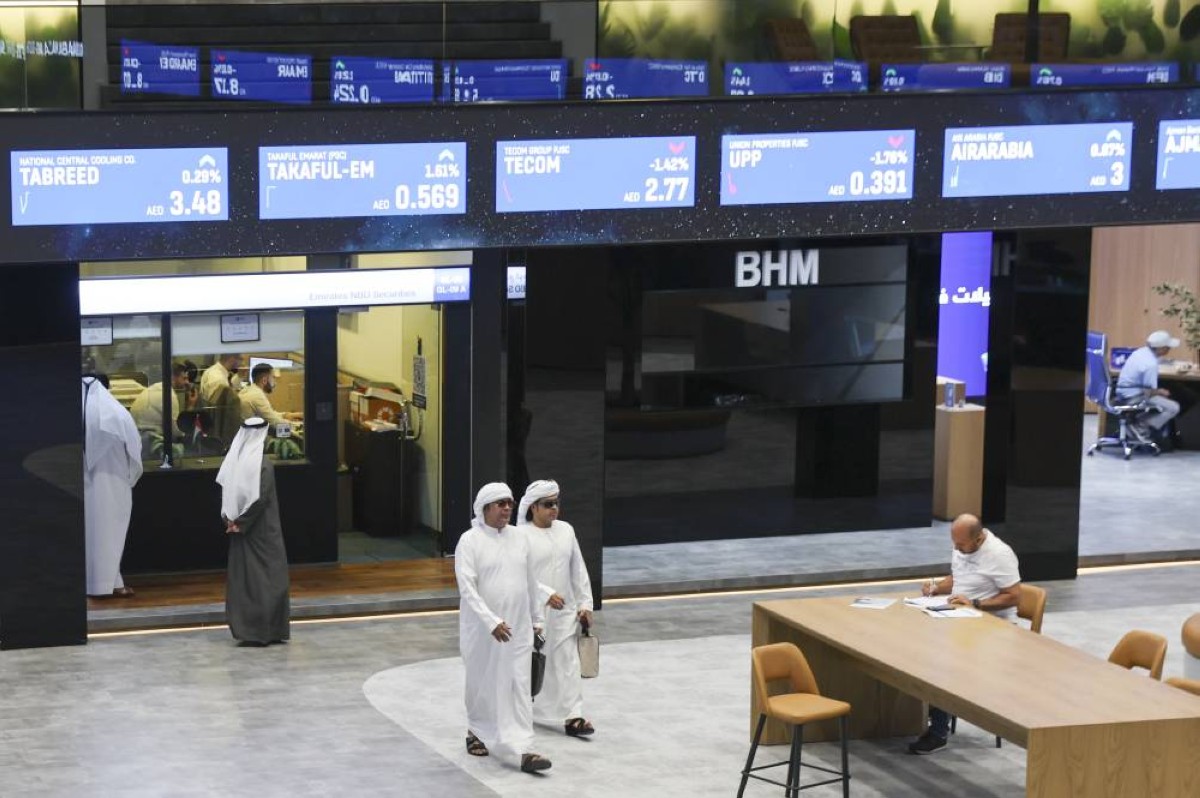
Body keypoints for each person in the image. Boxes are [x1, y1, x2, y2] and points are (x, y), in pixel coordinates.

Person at [455, 482, 552, 774]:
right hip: (483, 630)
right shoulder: (469, 541)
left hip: (519, 628)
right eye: (500, 504)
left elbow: (532, 582)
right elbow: (467, 589)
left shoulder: (520, 539)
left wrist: (537, 620)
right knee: (483, 682)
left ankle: (524, 747)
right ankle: (477, 731)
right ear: (484, 509)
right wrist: (491, 621)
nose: (507, 508)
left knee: (519, 686)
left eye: (509, 503)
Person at [908, 514, 1021, 755]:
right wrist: (937, 587)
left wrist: (976, 603)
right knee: (918, 646)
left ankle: (938, 731)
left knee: (943, 662)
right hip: (960, 618)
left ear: (979, 539)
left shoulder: (999, 554)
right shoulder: (963, 546)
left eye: (960, 545)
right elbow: (958, 577)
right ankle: (919, 711)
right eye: (954, 543)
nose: (956, 548)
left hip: (993, 627)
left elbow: (1013, 595)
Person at [517, 479, 595, 738]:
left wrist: (585, 604)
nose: (554, 509)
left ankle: (574, 716)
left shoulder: (566, 531)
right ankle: (526, 709)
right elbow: (520, 575)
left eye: (556, 503)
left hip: (565, 612)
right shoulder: (520, 536)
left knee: (568, 662)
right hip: (533, 613)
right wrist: (546, 594)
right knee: (533, 662)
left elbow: (578, 569)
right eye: (547, 504)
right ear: (533, 508)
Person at [216, 417, 290, 647]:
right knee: (270, 579)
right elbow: (260, 498)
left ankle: (248, 629)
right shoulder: (263, 463)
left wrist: (231, 520)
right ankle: (267, 630)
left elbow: (226, 490)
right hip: (263, 531)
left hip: (240, 529)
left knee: (245, 580)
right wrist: (243, 522)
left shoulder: (234, 458)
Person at [82, 374, 144, 598]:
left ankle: (97, 583)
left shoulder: (71, 413)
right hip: (114, 484)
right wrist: (130, 478)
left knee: (88, 534)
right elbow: (135, 453)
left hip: (82, 487)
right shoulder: (118, 413)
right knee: (110, 535)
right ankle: (112, 583)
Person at [1116, 330, 1181, 442]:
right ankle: (1141, 425)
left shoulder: (1140, 352)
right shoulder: (1151, 364)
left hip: (1123, 391)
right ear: (1160, 348)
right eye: (1167, 347)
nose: (1169, 349)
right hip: (1134, 396)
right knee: (1173, 407)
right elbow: (1149, 392)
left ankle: (1135, 422)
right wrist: (1161, 391)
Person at [129, 362, 199, 436]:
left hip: (139, 438)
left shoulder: (155, 388)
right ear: (173, 377)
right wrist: (191, 406)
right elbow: (177, 433)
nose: (187, 382)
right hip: (151, 442)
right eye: (184, 378)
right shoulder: (169, 395)